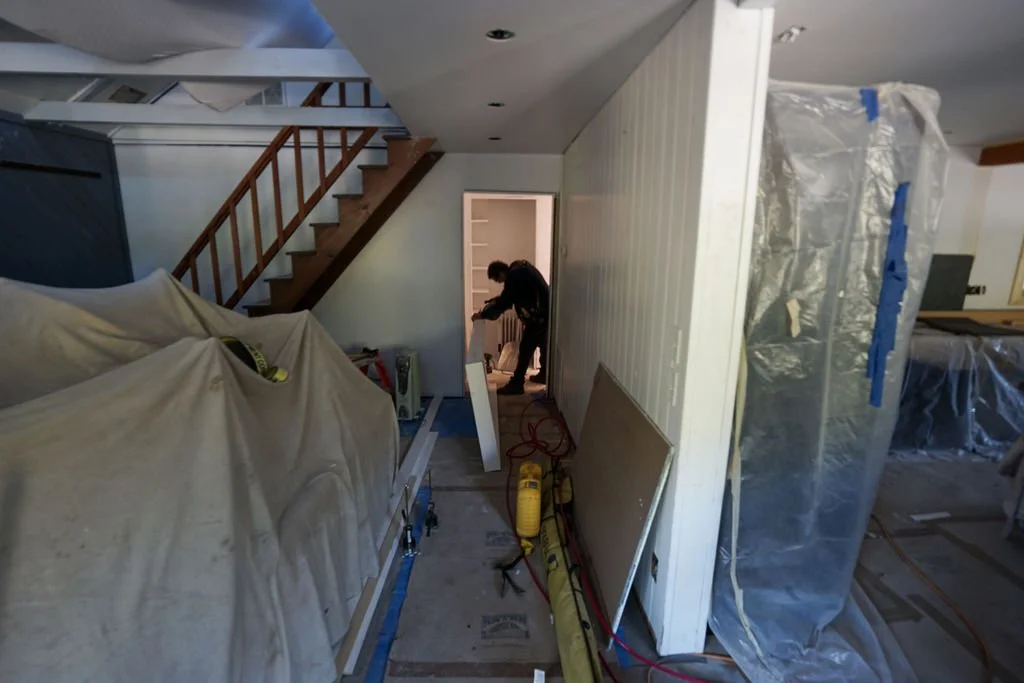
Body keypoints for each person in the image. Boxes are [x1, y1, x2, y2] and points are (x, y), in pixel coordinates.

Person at [471, 259, 549, 395]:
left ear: (501, 273)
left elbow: (505, 303)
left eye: (498, 280)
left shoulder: (513, 277)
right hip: (546, 312)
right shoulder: (519, 267)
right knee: (543, 343)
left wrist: (483, 314)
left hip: (539, 316)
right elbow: (515, 294)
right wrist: (500, 298)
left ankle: (517, 384)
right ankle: (544, 374)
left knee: (525, 348)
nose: (500, 283)